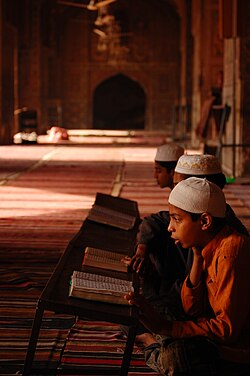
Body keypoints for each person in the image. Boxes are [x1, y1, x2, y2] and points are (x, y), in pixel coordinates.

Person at [125, 177, 250, 375]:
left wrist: (167, 328)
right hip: (211, 333)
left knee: (178, 357)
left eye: (177, 219)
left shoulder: (231, 250)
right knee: (159, 307)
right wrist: (198, 257)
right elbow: (191, 310)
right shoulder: (206, 245)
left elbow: (227, 331)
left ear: (205, 221)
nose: (170, 227)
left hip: (238, 350)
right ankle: (160, 339)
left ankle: (153, 343)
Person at [129, 154, 249, 319]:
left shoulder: (230, 245)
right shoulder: (198, 230)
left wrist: (166, 324)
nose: (175, 190)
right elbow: (154, 221)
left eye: (181, 185)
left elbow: (224, 326)